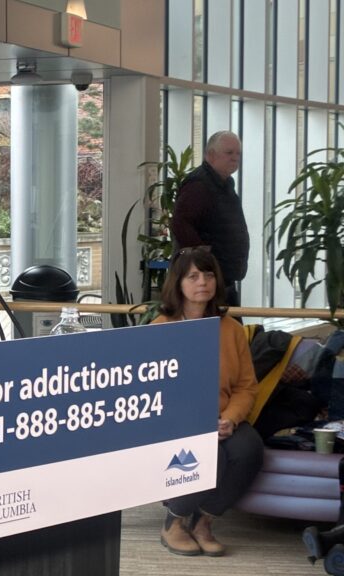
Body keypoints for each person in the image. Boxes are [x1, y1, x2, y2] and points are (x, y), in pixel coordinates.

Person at [151, 246, 264, 557]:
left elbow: (246, 387)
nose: (203, 281)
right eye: (193, 276)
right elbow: (153, 390)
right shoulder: (160, 329)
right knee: (209, 453)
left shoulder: (232, 330)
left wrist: (230, 417)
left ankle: (204, 521)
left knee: (249, 449)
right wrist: (193, 422)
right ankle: (174, 521)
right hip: (177, 421)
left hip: (222, 416)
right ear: (179, 283)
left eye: (209, 274)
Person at [171, 131, 249, 307]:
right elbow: (180, 223)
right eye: (229, 153)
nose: (235, 158)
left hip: (221, 278)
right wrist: (205, 262)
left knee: (231, 331)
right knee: (220, 330)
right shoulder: (199, 185)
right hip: (206, 282)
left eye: (238, 153)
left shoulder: (223, 184)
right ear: (211, 155)